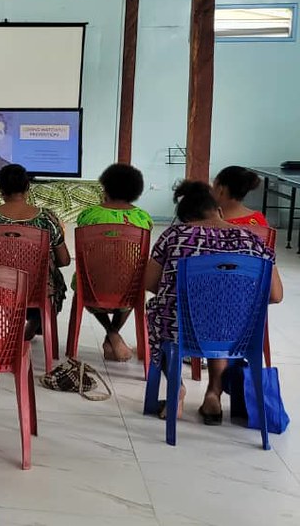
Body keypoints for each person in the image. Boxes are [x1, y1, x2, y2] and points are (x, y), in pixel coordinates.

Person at [145, 180, 282, 422]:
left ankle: (176, 387)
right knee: (223, 317)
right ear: (218, 210)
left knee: (157, 311)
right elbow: (275, 295)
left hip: (181, 329)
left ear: (186, 218)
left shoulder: (175, 235)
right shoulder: (254, 240)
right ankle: (213, 394)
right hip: (239, 332)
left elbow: (150, 283)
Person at [0, 164, 70, 339]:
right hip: (36, 288)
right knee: (54, 282)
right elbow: (64, 260)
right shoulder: (47, 218)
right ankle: (33, 324)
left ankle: (14, 328)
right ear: (27, 187)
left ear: (0, 189)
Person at [75, 163, 154, 362]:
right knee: (135, 287)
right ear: (136, 191)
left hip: (93, 285)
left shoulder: (89, 215)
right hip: (129, 288)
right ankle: (114, 333)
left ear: (105, 188)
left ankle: (111, 332)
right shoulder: (143, 218)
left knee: (82, 284)